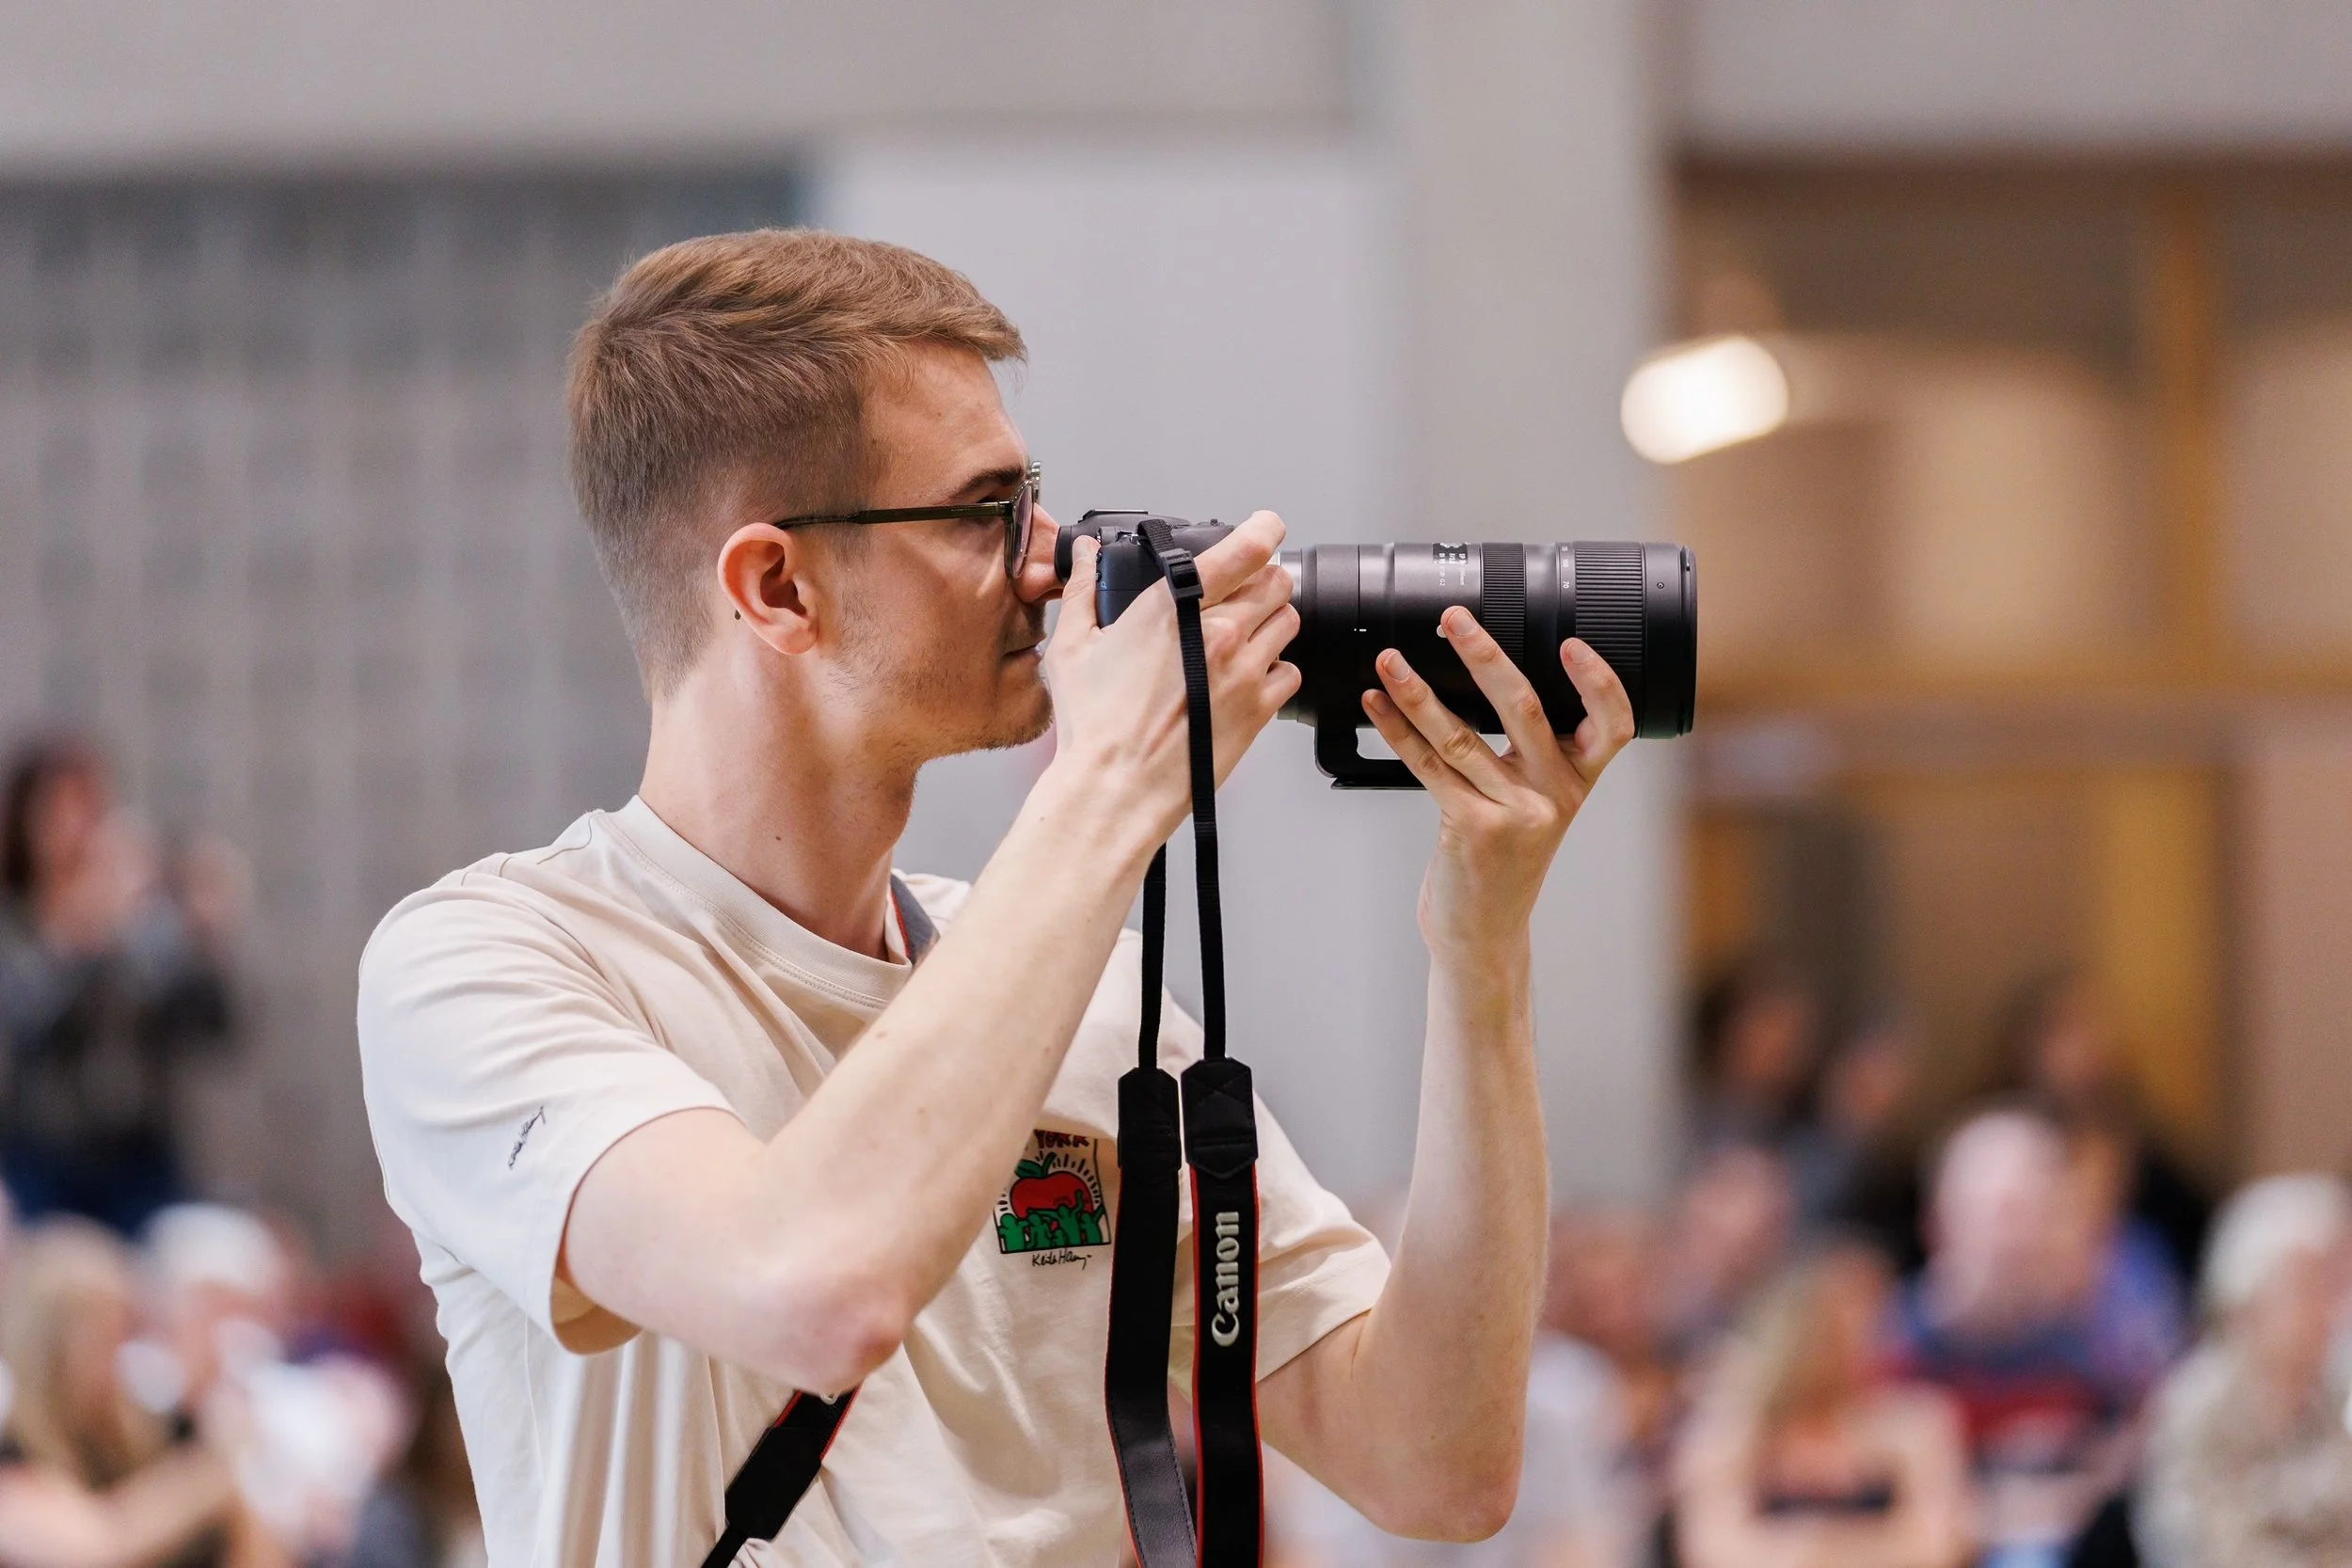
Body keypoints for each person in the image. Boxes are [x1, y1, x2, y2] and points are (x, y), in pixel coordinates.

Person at [356, 229, 1644, 1565]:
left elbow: (1435, 1456)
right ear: (777, 586)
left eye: (1036, 498)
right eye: (987, 512)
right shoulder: (495, 961)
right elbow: (811, 1283)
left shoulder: (1076, 983)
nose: (1051, 561)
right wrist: (1108, 783)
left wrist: (1482, 951)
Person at [0, 736, 246, 1233]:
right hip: (41, 1156)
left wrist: (203, 938)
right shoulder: (16, 927)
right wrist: (84, 942)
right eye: (58, 807)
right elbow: (30, 1032)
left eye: (87, 805)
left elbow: (213, 1024)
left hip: (140, 1158)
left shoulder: (141, 920)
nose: (75, 826)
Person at [1888, 1108, 2137, 1568]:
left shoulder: (2091, 1351)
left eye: (2039, 1213)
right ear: (1938, 1224)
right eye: (2001, 1213)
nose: (2019, 1239)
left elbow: (2116, 1477)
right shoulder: (1888, 1355)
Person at [0, 1218, 283, 1568]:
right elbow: (99, 1547)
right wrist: (215, 1468)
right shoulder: (13, 1454)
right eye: (100, 1340)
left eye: (121, 1336)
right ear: (48, 1350)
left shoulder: (134, 1438)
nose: (116, 1361)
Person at [1674, 1239, 1972, 1568]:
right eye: (1837, 1318)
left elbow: (1938, 1546)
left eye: (1873, 1308)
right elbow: (1714, 1551)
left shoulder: (1916, 1420)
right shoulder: (1731, 1432)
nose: (1863, 1329)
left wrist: (1813, 1546)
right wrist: (1875, 1543)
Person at [2134, 1174, 2352, 1568]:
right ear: (2246, 1296)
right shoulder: (2195, 1405)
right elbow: (2186, 1539)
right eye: (2303, 1287)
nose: (2324, 1309)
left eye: (2332, 1286)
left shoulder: (2343, 1394)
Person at [1993, 971, 2210, 1285]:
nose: (2081, 1049)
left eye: (2091, 1029)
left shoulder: (2156, 1169)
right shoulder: (1995, 1143)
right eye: (2063, 1031)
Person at [1689, 965, 1820, 1156]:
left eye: (1796, 1034)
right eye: (1769, 1024)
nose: (1785, 1047)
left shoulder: (1803, 1128)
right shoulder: (1689, 1121)